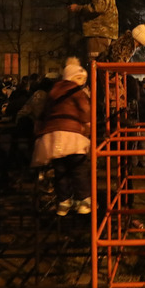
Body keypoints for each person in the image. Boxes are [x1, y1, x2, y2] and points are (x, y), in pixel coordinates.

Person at [31, 57, 93, 216]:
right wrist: (87, 124)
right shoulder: (76, 91)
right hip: (72, 134)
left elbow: (46, 110)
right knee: (78, 169)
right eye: (79, 78)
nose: (82, 82)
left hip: (52, 137)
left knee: (61, 170)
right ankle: (84, 200)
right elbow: (85, 110)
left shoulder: (54, 90)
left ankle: (63, 202)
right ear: (72, 78)